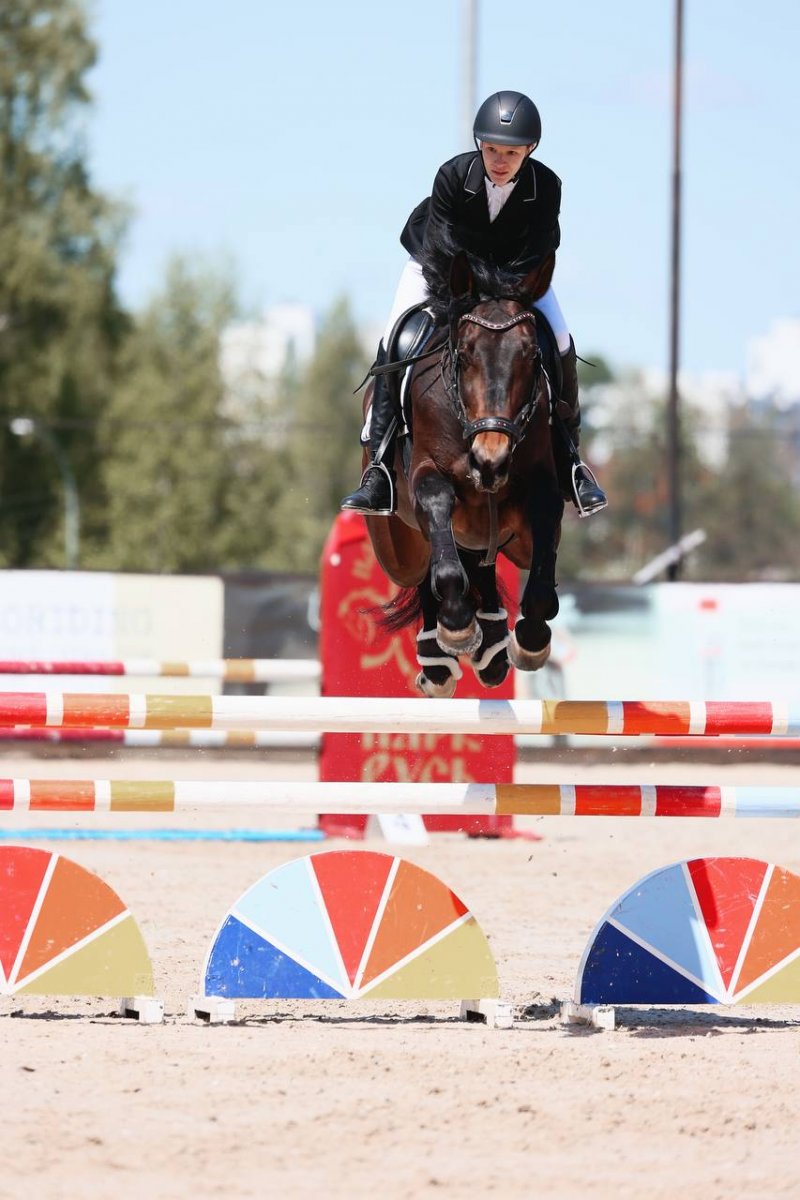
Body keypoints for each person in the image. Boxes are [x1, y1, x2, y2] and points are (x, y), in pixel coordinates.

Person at [341, 90, 607, 518]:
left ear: (530, 149)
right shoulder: (452, 176)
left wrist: (507, 294)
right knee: (395, 338)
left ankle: (572, 460)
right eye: (492, 149)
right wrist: (473, 296)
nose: (500, 161)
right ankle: (379, 468)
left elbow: (538, 252)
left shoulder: (546, 187)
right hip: (440, 268)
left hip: (514, 277)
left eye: (511, 153)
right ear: (479, 143)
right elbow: (444, 250)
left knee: (560, 339)